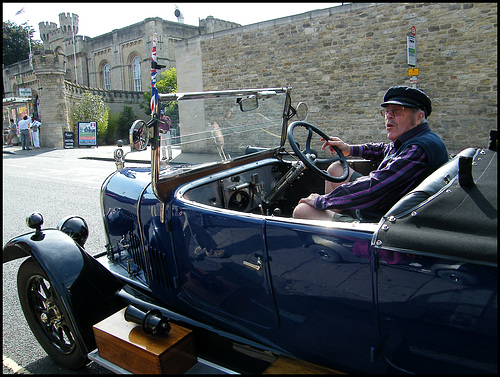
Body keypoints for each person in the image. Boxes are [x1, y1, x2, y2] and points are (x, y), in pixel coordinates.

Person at [293, 85, 449, 222]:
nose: (389, 116)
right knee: (336, 168)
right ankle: (332, 220)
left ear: (419, 116)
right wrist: (349, 149)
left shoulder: (417, 150)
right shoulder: (418, 139)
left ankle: (338, 235)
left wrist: (322, 201)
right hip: (387, 204)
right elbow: (383, 149)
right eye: (387, 112)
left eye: (397, 111)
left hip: (383, 220)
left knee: (301, 211)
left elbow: (375, 187)